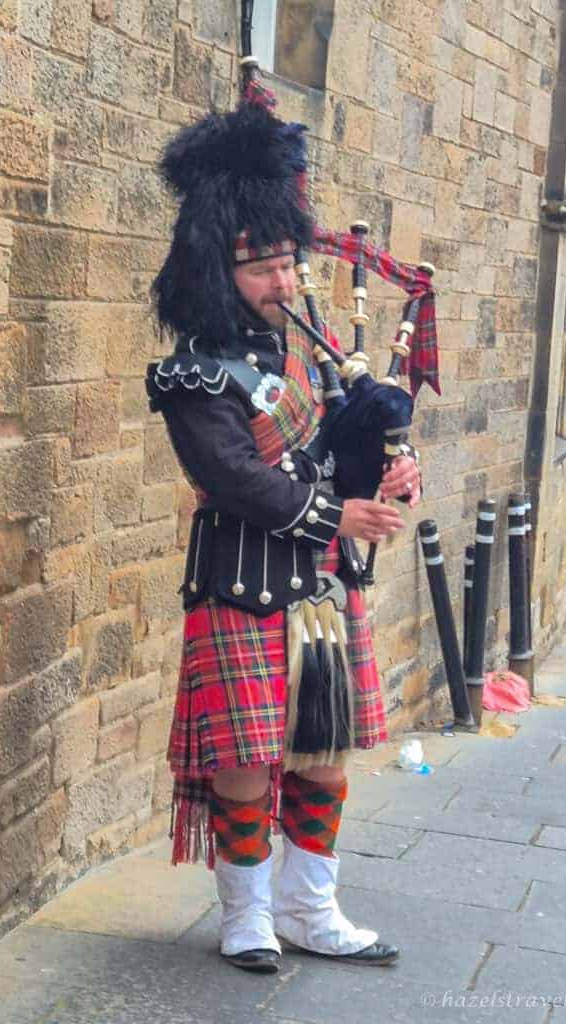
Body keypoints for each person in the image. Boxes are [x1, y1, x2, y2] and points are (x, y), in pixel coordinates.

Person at [146, 100, 421, 974]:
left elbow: (338, 456)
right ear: (214, 273)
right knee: (242, 768)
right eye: (260, 268)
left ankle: (312, 909)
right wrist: (337, 515)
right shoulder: (192, 370)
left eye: (285, 263)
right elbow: (234, 476)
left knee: (324, 760)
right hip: (237, 578)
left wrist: (385, 475)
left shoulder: (311, 353)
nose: (281, 282)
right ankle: (247, 918)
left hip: (320, 591)